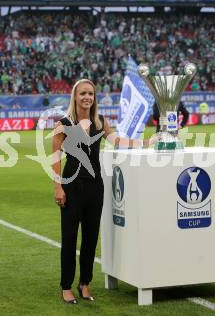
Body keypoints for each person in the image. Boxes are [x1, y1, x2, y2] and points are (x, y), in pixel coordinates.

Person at [52, 79, 154, 304]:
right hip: (71, 186)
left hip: (95, 187)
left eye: (91, 93)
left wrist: (146, 142)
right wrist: (58, 186)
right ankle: (66, 286)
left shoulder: (100, 122)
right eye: (83, 94)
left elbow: (118, 141)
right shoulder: (64, 123)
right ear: (75, 97)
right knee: (69, 239)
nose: (87, 97)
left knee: (90, 238)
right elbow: (55, 156)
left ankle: (85, 283)